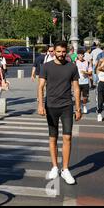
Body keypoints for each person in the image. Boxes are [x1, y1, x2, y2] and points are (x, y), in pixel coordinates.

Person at [38, 41, 82, 185]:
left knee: (68, 138)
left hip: (67, 106)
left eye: (64, 52)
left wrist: (78, 108)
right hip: (51, 106)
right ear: (53, 52)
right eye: (58, 52)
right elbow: (41, 87)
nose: (61, 54)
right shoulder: (46, 67)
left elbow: (76, 88)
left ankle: (65, 169)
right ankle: (55, 167)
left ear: (67, 52)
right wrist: (40, 105)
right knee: (53, 138)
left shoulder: (72, 67)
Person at [75, 50, 92, 114]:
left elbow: (90, 72)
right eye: (79, 55)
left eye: (81, 55)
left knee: (85, 96)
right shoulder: (75, 62)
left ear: (83, 55)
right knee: (77, 96)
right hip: (77, 82)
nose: (80, 56)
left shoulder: (87, 62)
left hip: (85, 81)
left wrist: (86, 72)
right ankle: (78, 107)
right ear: (77, 55)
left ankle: (84, 106)